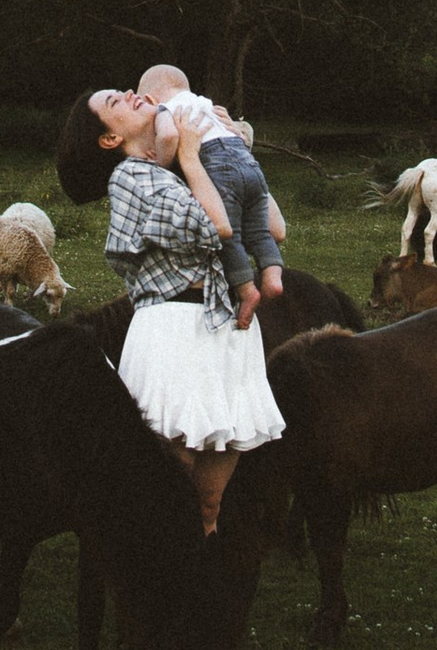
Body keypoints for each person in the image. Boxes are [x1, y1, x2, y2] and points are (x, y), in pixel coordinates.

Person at [55, 86, 284, 533]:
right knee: (166, 485)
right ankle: (154, 586)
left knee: (210, 502)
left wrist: (234, 145)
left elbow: (274, 227)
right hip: (175, 331)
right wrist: (194, 158)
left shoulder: (181, 160)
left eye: (123, 91)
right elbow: (215, 226)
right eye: (114, 103)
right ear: (108, 139)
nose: (128, 93)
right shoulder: (131, 178)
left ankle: (198, 586)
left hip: (226, 329)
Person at [137, 63, 287, 304]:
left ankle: (247, 290)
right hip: (247, 164)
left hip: (217, 166)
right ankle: (272, 276)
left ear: (149, 99)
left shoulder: (165, 109)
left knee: (229, 235)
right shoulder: (205, 103)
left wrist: (159, 163)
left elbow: (168, 136)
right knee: (260, 232)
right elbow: (275, 232)